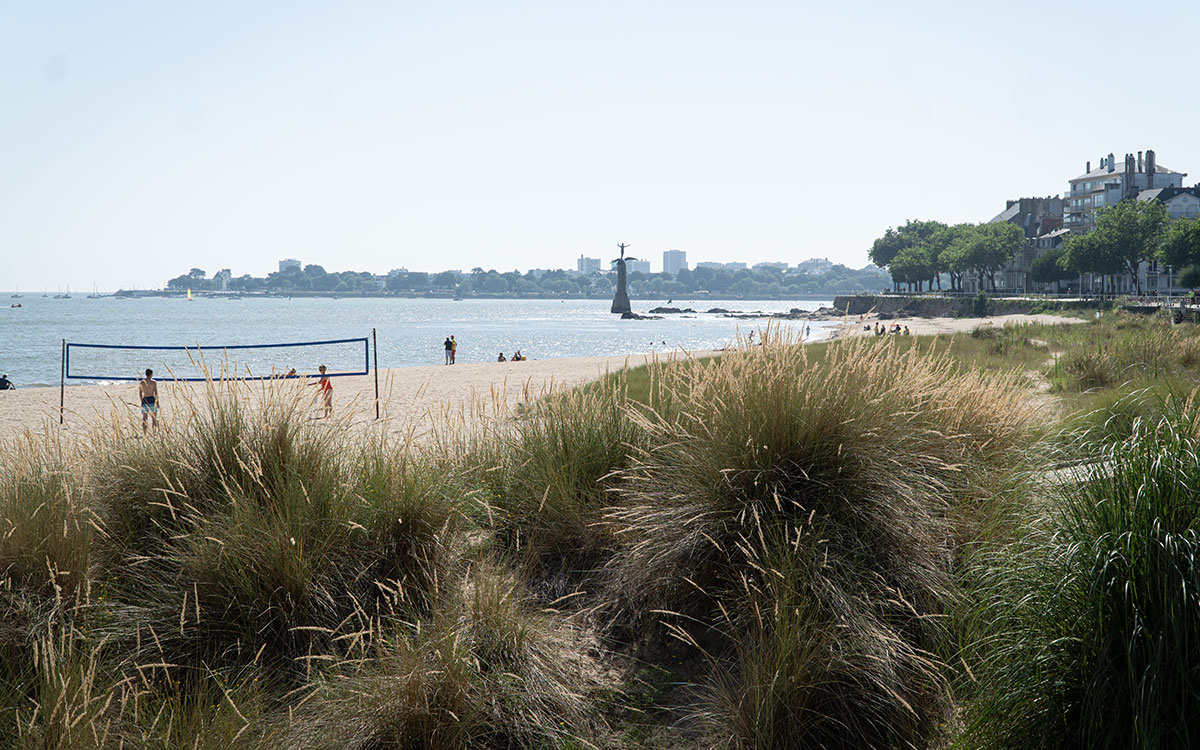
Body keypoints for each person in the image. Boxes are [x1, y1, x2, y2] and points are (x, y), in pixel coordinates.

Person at [138, 368, 158, 433]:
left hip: (145, 399)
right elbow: (156, 393)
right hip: (152, 399)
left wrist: (141, 401)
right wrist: (157, 402)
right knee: (154, 418)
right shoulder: (154, 382)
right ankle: (154, 432)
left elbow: (140, 393)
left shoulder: (142, 382)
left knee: (144, 418)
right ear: (151, 374)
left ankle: (144, 433)